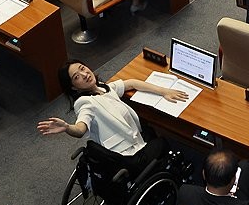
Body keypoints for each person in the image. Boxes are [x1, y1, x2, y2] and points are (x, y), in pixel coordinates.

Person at [37, 61, 184, 173]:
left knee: (148, 129)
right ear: (74, 87)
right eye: (77, 77)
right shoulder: (85, 103)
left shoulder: (101, 88)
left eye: (82, 68)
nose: (84, 74)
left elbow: (131, 83)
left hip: (127, 141)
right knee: (162, 142)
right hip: (128, 155)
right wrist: (67, 128)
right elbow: (80, 128)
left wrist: (163, 91)